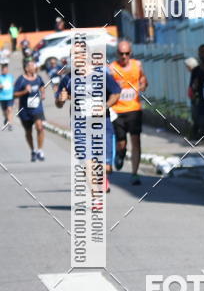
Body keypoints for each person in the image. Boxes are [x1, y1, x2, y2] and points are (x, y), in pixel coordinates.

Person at [56, 57, 121, 193]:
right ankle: (95, 198)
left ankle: (102, 176)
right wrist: (61, 100)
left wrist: (105, 106)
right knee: (87, 162)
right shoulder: (67, 79)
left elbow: (116, 92)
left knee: (105, 167)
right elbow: (59, 102)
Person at [109, 40, 148, 186]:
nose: (124, 56)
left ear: (130, 53)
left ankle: (134, 173)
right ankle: (121, 152)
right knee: (121, 142)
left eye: (126, 53)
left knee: (136, 141)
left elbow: (143, 79)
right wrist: (114, 86)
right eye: (121, 53)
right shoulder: (112, 68)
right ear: (117, 53)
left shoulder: (137, 65)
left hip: (134, 109)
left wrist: (143, 84)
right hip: (117, 110)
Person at [13, 59, 46, 161]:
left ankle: (40, 150)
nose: (35, 67)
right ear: (27, 68)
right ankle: (33, 150)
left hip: (37, 108)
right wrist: (24, 91)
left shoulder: (38, 77)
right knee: (28, 131)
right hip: (25, 110)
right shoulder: (21, 80)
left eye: (34, 65)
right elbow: (14, 94)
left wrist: (43, 93)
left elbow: (42, 86)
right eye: (32, 66)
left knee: (40, 127)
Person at [0, 61, 14, 130]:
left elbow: (13, 85)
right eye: (3, 70)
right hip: (2, 97)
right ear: (1, 70)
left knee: (9, 109)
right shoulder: (0, 77)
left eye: (6, 70)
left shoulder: (10, 76)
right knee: (4, 112)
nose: (4, 71)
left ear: (7, 70)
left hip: (10, 96)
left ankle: (10, 124)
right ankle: (6, 118)